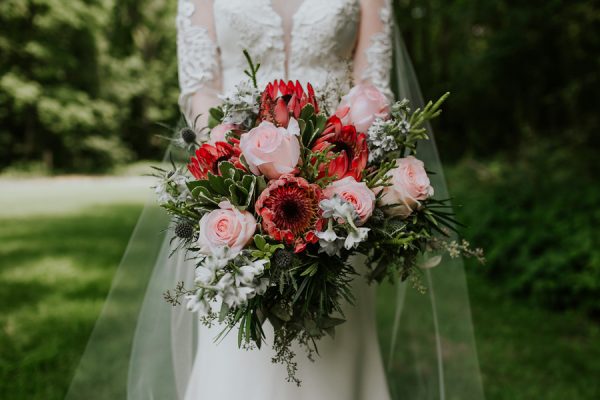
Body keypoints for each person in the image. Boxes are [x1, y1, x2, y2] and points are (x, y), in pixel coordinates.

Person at [65, 1, 484, 399]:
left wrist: (337, 176)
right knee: (239, 353)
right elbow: (201, 89)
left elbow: (372, 87)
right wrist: (239, 164)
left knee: (335, 344)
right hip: (237, 186)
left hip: (339, 195)